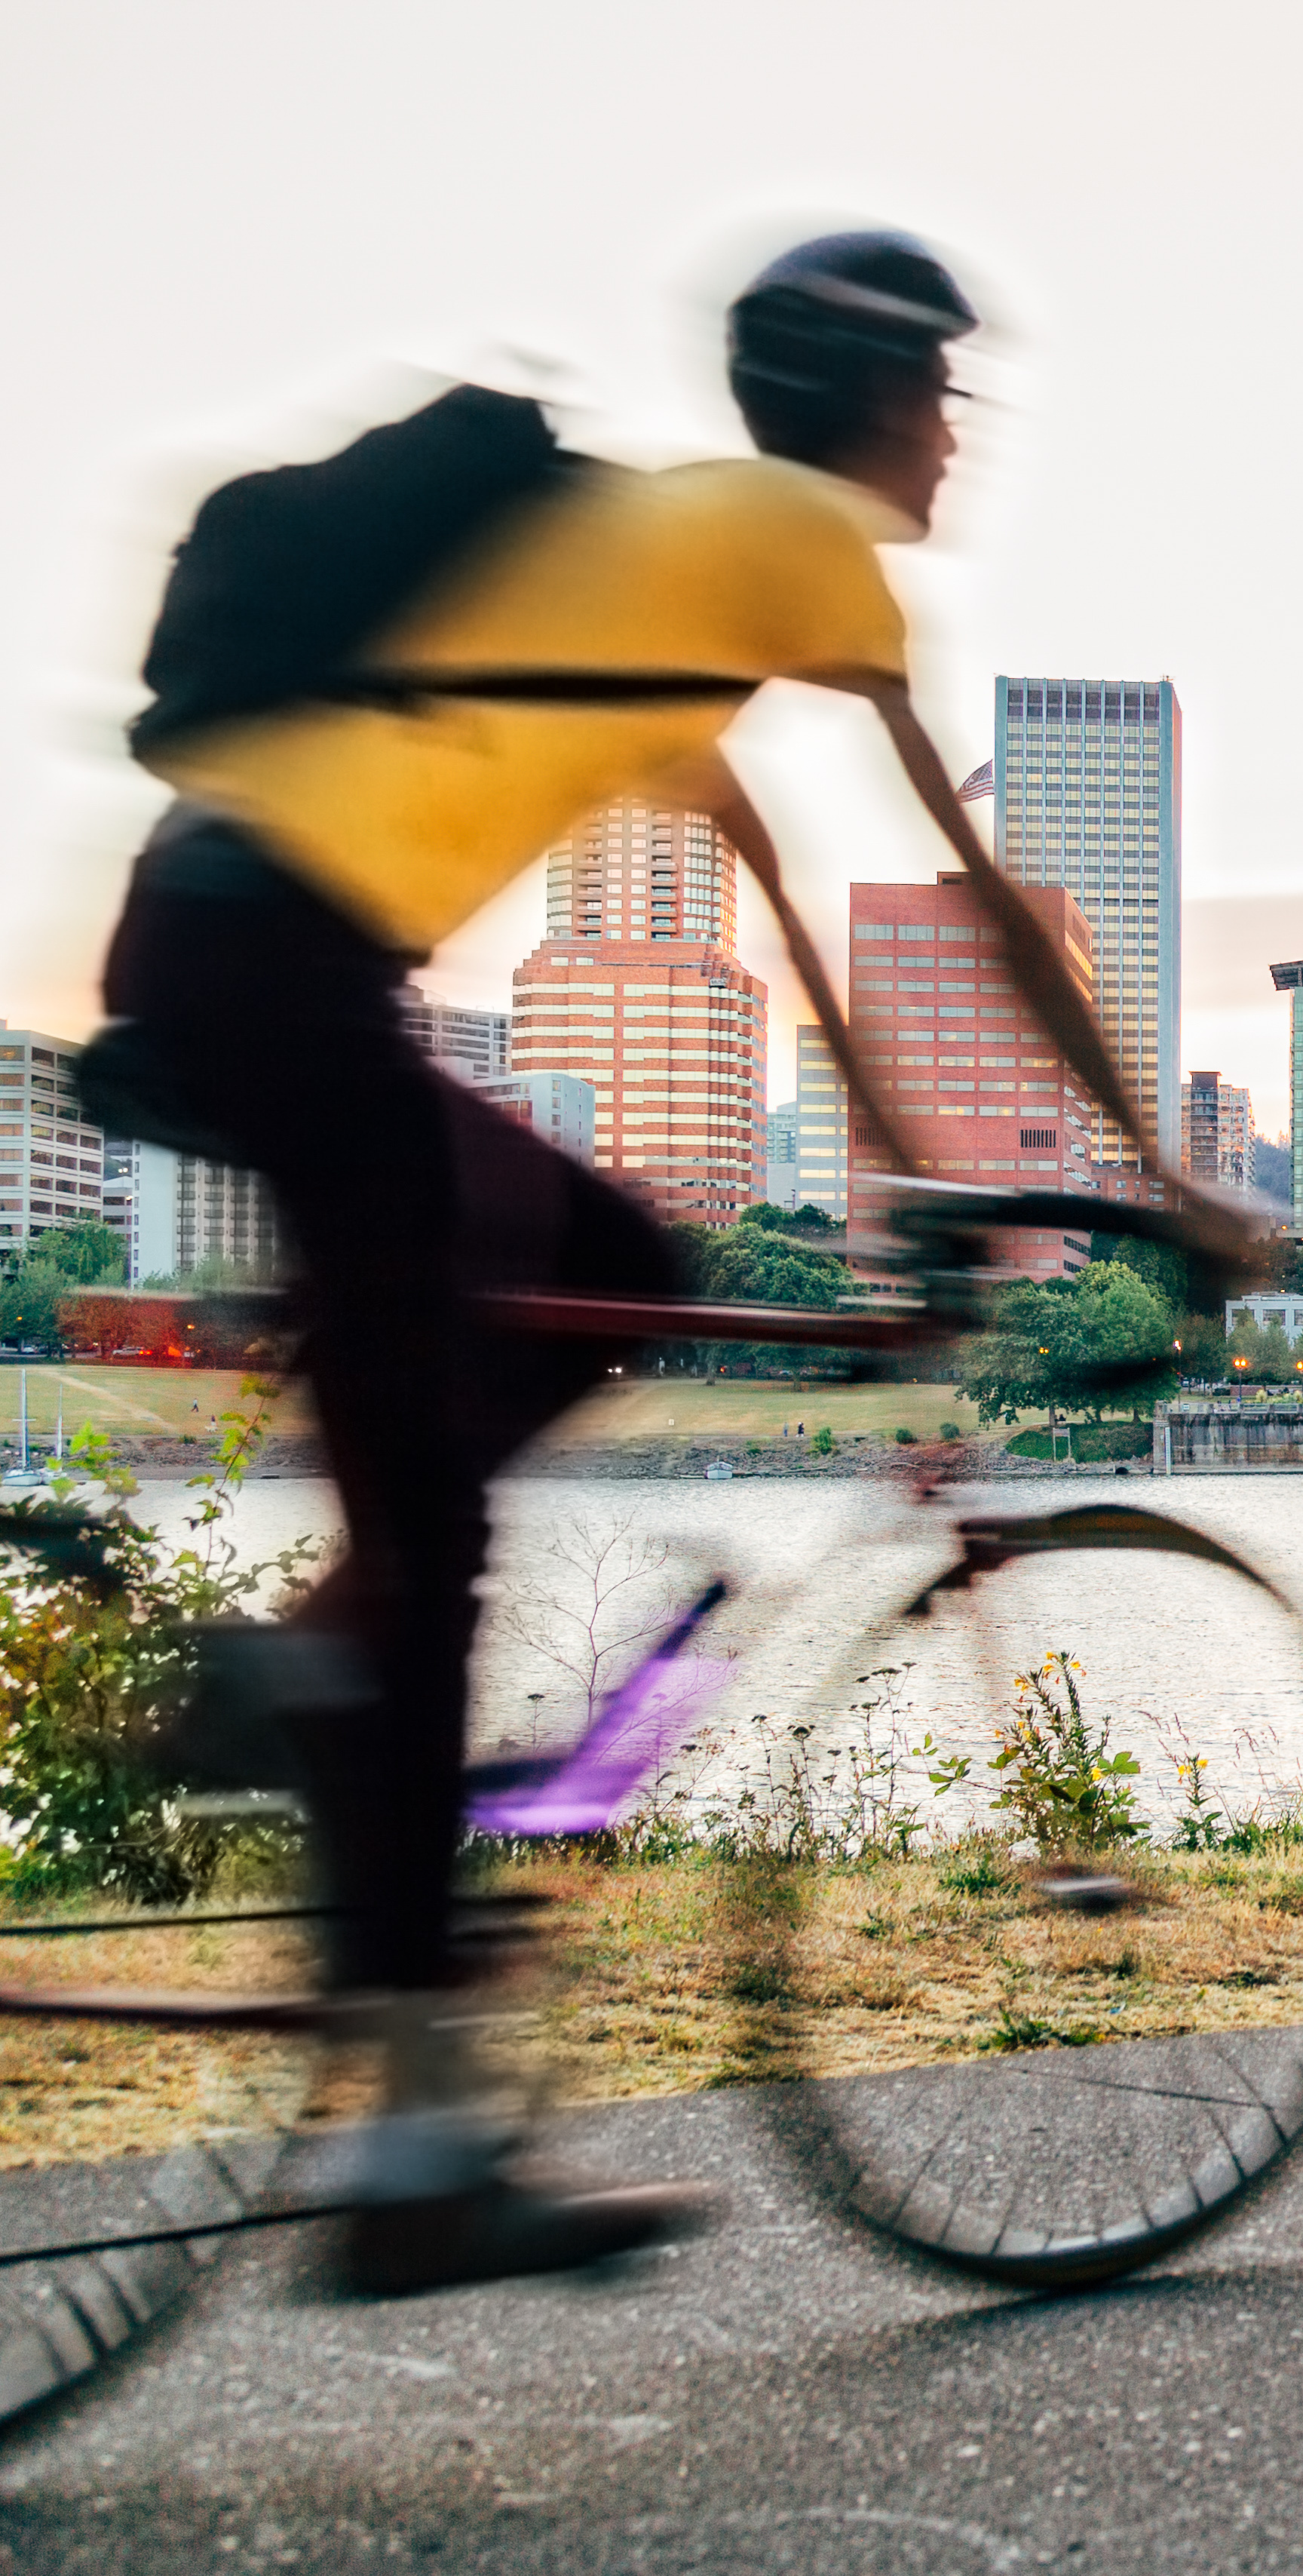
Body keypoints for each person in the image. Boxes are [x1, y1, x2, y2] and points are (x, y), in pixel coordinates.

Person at [90, 231, 1183, 2295]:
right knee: (425, 1563)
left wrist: (916, 1175)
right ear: (871, 395)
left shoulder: (675, 574)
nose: (956, 439)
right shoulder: (786, 539)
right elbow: (977, 897)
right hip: (284, 968)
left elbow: (775, 895)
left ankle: (345, 1677)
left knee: (609, 1250)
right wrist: (1164, 1181)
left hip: (253, 952)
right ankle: (416, 2140)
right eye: (945, 395)